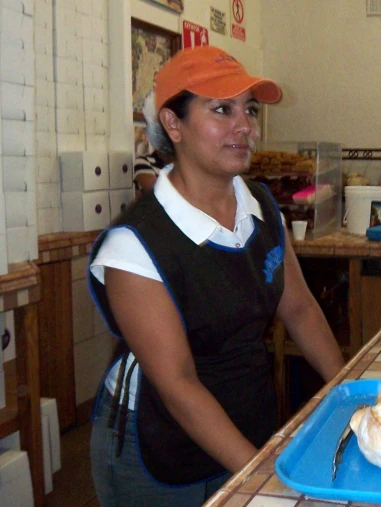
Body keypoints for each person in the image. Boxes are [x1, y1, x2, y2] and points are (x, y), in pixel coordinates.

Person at [87, 45, 346, 507]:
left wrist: (350, 394)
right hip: (156, 446)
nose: (245, 126)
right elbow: (179, 384)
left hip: (246, 418)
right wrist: (263, 476)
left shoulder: (262, 208)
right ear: (173, 124)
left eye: (249, 109)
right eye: (222, 109)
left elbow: (301, 309)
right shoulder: (136, 245)